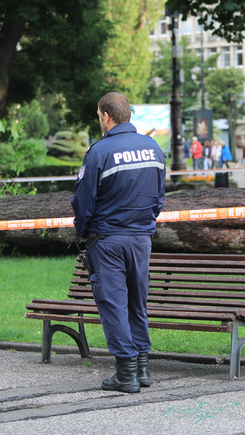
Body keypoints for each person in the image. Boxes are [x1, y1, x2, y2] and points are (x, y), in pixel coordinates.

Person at [71, 92, 166, 393]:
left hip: (108, 240)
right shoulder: (153, 148)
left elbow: (83, 201)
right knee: (137, 303)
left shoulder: (99, 152)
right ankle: (142, 368)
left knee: (113, 304)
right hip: (141, 240)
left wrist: (82, 230)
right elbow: (159, 197)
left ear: (106, 116)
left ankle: (126, 374)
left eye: (99, 114)